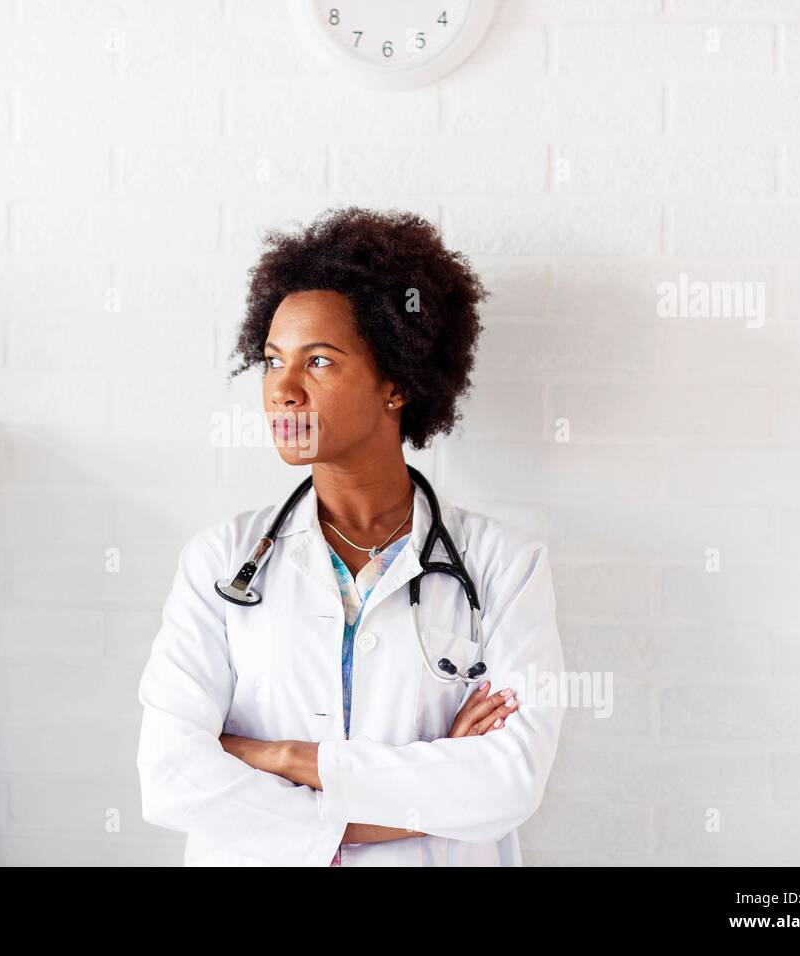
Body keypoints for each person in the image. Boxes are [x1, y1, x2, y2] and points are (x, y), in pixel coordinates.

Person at [136, 206, 566, 866]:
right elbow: (172, 775)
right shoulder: (220, 562)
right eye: (272, 361)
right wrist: (424, 790)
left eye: (318, 361)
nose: (282, 390)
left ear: (396, 383)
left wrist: (281, 757)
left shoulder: (504, 566)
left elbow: (506, 783)